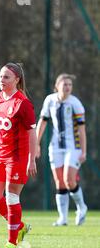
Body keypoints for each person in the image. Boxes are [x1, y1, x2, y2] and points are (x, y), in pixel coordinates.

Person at [0, 63, 36, 248]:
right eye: (0, 76)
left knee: (11, 196)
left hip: (17, 157)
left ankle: (12, 240)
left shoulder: (23, 103)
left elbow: (32, 132)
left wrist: (31, 159)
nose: (2, 80)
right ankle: (20, 227)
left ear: (17, 79)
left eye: (7, 77)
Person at [36, 73, 87, 226]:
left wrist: (84, 151)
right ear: (56, 86)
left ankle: (81, 207)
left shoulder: (75, 103)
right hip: (55, 146)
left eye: (70, 85)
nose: (67, 87)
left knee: (69, 179)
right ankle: (62, 218)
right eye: (64, 84)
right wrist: (36, 144)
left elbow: (82, 130)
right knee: (59, 182)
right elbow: (42, 122)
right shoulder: (50, 100)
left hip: (73, 147)